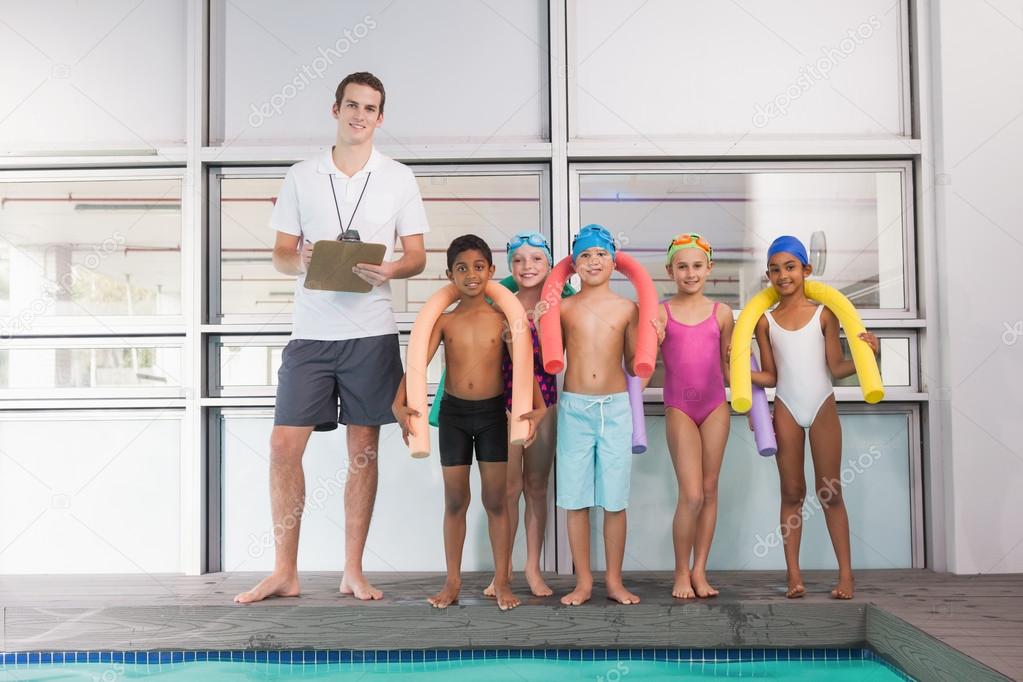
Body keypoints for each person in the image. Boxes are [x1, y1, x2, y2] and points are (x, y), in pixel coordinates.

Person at [235, 72, 429, 604]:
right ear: (335, 109)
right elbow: (278, 253)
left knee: (363, 448)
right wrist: (295, 258)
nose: (360, 115)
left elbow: (416, 254)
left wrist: (391, 269)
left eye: (370, 108)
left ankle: (352, 570)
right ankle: (284, 571)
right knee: (282, 446)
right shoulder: (302, 175)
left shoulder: (398, 178)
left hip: (370, 334)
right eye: (352, 105)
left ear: (380, 117)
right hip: (311, 334)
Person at [392, 235, 543, 611]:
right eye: (462, 268)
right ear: (450, 275)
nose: (471, 275)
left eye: (478, 267)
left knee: (496, 501)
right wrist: (398, 404)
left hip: (493, 416)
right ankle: (453, 582)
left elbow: (524, 366)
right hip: (455, 416)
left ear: (491, 272)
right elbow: (416, 365)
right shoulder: (444, 321)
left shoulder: (503, 318)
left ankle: (503, 582)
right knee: (455, 501)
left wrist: (538, 407)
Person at [751, 235, 879, 600]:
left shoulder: (825, 314)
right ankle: (794, 576)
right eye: (775, 270)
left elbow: (836, 368)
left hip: (821, 405)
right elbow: (772, 376)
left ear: (806, 270)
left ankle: (846, 576)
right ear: (768, 276)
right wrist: (735, 373)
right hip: (787, 408)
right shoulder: (765, 322)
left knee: (830, 491)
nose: (782, 275)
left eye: (789, 267)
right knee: (792, 492)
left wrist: (869, 354)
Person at [553, 224, 642, 607]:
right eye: (586, 255)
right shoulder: (564, 307)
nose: (593, 261)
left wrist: (657, 334)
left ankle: (614, 581)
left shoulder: (627, 308)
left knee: (614, 500)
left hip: (615, 409)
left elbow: (639, 365)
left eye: (601, 254)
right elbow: (545, 356)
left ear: (614, 261)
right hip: (574, 407)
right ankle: (584, 582)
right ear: (574, 264)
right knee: (575, 500)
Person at [654, 233, 733, 599]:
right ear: (670, 270)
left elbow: (729, 370)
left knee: (710, 489)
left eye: (697, 266)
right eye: (682, 266)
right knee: (691, 494)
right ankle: (680, 572)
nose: (690, 273)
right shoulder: (661, 312)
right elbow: (642, 362)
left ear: (709, 269)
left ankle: (701, 570)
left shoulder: (722, 313)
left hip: (715, 404)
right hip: (680, 408)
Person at [483, 232, 561, 599]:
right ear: (510, 266)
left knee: (536, 487)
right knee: (507, 490)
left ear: (548, 264)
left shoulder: (558, 305)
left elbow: (553, 362)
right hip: (506, 403)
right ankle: (503, 571)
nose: (527, 267)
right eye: (519, 260)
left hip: (543, 404)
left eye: (536, 260)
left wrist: (545, 326)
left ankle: (532, 568)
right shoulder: (499, 304)